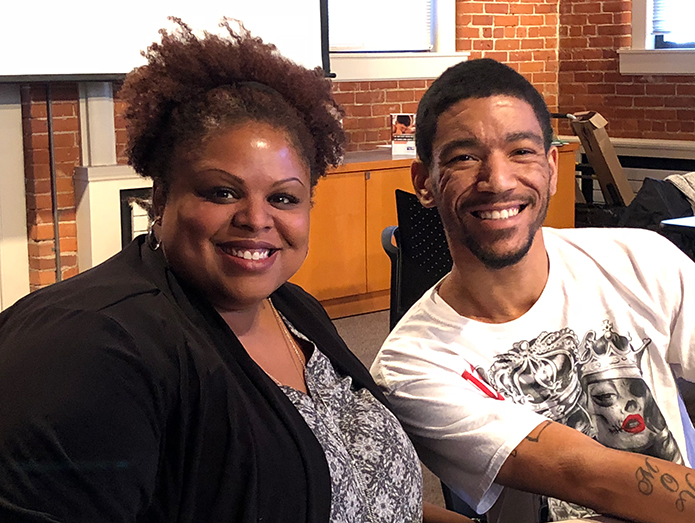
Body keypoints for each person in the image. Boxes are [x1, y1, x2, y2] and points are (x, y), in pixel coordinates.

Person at [0, 19, 471, 523]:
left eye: (283, 198)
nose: (255, 219)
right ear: (161, 196)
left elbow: (358, 496)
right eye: (222, 192)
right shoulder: (93, 348)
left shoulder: (292, 309)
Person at [370, 58, 695, 523]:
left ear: (552, 167)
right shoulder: (412, 364)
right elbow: (586, 475)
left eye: (521, 151)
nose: (498, 181)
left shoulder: (638, 259)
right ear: (424, 183)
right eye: (463, 158)